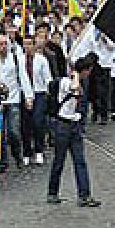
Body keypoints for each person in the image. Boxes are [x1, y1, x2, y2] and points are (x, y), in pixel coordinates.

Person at [46, 57, 102, 207]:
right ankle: (52, 192)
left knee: (80, 161)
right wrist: (76, 75)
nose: (89, 74)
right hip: (62, 125)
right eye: (88, 71)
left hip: (74, 125)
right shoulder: (66, 82)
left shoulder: (79, 82)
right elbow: (74, 88)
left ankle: (84, 195)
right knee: (59, 160)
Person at [0, 31, 34, 169]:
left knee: (14, 131)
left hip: (13, 99)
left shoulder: (15, 58)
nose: (3, 47)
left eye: (5, 44)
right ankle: (2, 161)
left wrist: (28, 96)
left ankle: (17, 155)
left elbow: (23, 77)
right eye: (0, 44)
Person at [21, 35, 52, 163]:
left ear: (34, 45)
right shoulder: (20, 60)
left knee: (38, 122)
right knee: (25, 125)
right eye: (25, 44)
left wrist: (49, 93)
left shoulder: (41, 60)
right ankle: (27, 152)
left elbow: (47, 78)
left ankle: (39, 150)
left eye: (29, 44)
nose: (27, 47)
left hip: (40, 92)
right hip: (24, 93)